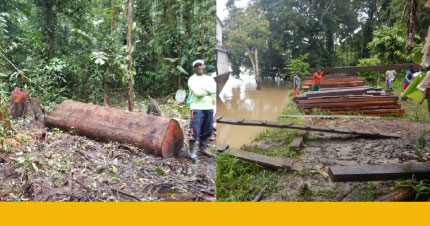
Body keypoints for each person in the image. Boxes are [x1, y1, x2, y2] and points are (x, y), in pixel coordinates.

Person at [187, 59, 216, 161]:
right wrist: (209, 90)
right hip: (197, 108)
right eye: (197, 65)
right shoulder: (192, 79)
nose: (199, 67)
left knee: (207, 130)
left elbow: (214, 92)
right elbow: (198, 93)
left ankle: (203, 148)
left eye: (201, 65)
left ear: (204, 66)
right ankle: (191, 151)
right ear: (194, 68)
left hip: (209, 108)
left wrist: (213, 107)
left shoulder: (210, 79)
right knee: (194, 130)